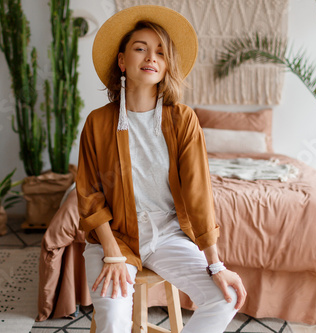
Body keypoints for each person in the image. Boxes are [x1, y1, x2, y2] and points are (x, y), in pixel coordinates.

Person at [76, 5, 246, 333]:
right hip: (115, 237)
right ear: (123, 62)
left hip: (167, 235)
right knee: (113, 319)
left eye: (160, 52)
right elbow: (89, 193)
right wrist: (111, 252)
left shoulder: (182, 120)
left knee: (225, 298)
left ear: (166, 66)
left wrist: (216, 264)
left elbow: (198, 194)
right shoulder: (98, 122)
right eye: (140, 48)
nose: (151, 57)